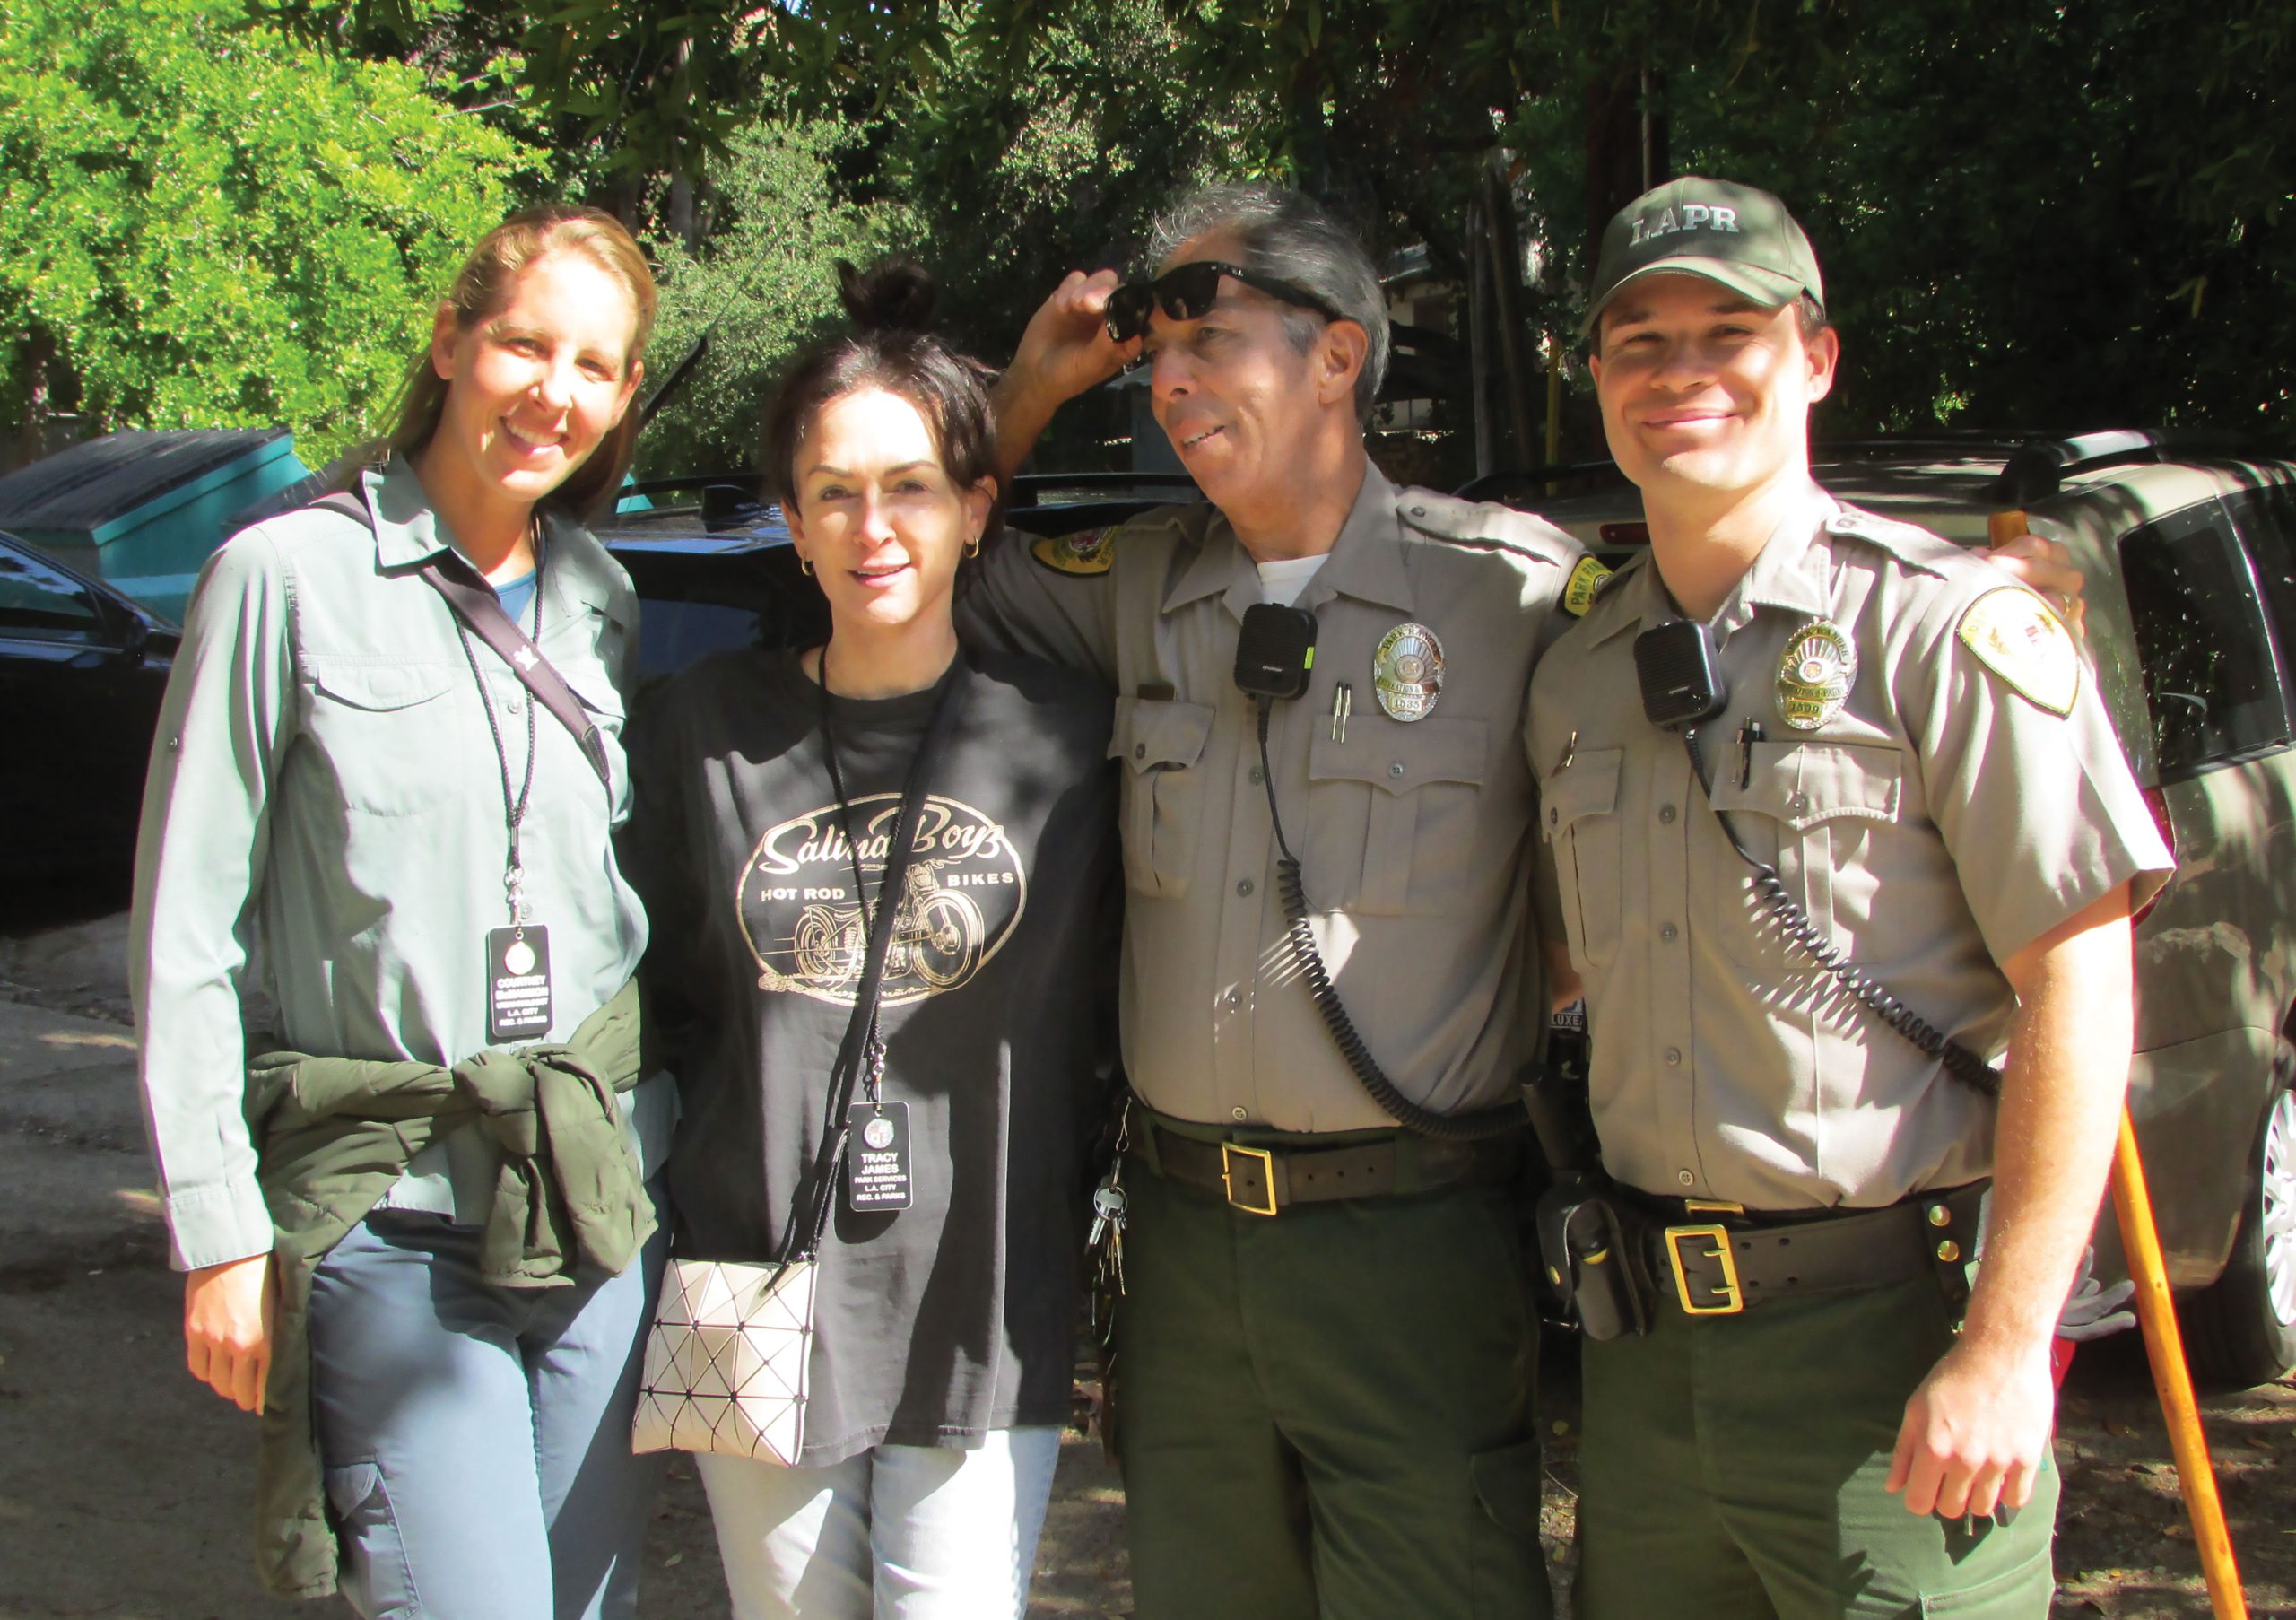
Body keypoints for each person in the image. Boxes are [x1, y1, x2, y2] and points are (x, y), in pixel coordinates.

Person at [963, 182, 2095, 1620]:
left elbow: (2050, 955)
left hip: (1432, 1233)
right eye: (1155, 349)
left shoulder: (1519, 597)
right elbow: (918, 561)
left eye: (1211, 334)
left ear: (1339, 354)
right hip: (1204, 1248)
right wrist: (1030, 389)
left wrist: (2012, 1333)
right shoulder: (1137, 586)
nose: (1171, 377)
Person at [1525, 176, 2175, 1618]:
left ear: (1815, 358)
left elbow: (2081, 979)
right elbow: (1562, 967)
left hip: (1896, 1355)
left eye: (1729, 333)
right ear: (1598, 378)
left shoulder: (1943, 627)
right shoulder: (1574, 674)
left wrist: (2007, 1346)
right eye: (1640, 342)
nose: (1680, 372)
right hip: (1645, 1360)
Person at [129, 205, 671, 1617]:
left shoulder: (598, 597)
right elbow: (184, 932)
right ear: (450, 342)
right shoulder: (282, 580)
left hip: (593, 1202)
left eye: (595, 365)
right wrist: (218, 1228)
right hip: (390, 1206)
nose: (554, 391)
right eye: (525, 345)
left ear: (623, 395)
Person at [621, 260, 1118, 1620]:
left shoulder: (1074, 739)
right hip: (752, 1286)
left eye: (910, 487)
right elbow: (652, 1001)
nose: (872, 525)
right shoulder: (702, 733)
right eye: (833, 492)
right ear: (792, 522)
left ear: (976, 510)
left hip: (985, 1304)